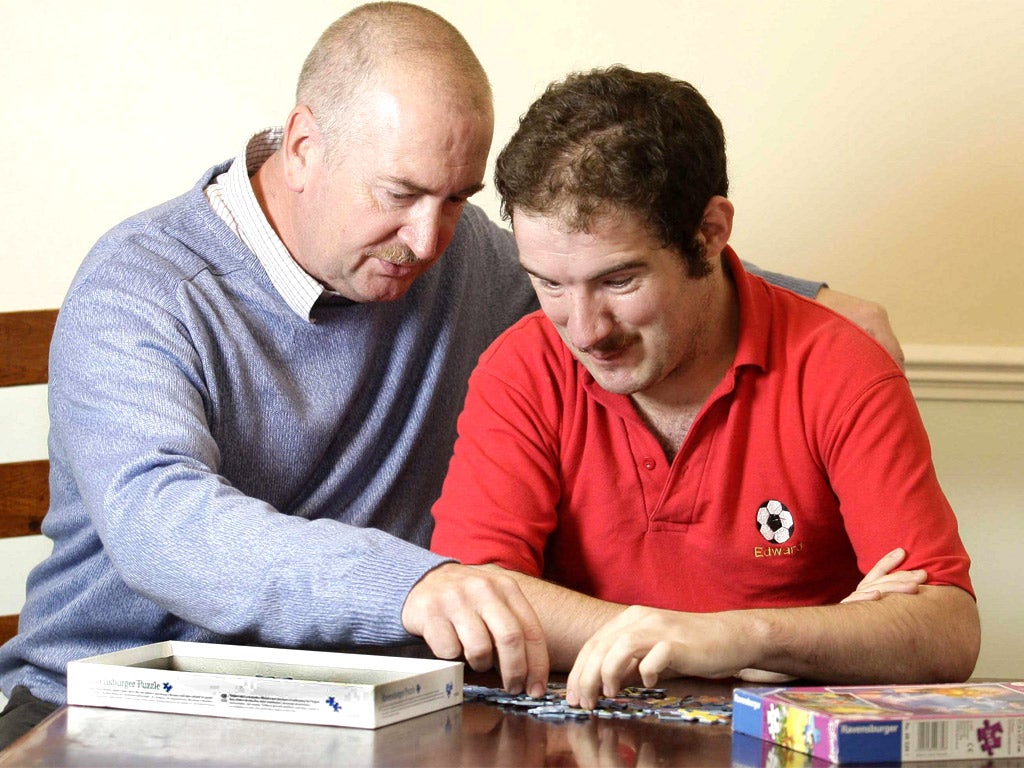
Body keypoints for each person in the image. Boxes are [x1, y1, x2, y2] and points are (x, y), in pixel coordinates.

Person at [0, 3, 903, 749]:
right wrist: (409, 584)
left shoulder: (453, 252)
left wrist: (812, 303)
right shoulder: (142, 284)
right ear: (304, 145)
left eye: (458, 200)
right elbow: (160, 520)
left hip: (369, 709)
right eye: (399, 195)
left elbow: (602, 264)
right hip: (110, 706)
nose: (431, 242)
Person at [429, 66, 980, 710]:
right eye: (548, 284)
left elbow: (944, 631)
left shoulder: (843, 369)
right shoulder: (520, 367)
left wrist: (736, 637)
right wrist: (816, 632)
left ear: (711, 232)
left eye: (619, 281)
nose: (582, 330)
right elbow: (471, 602)